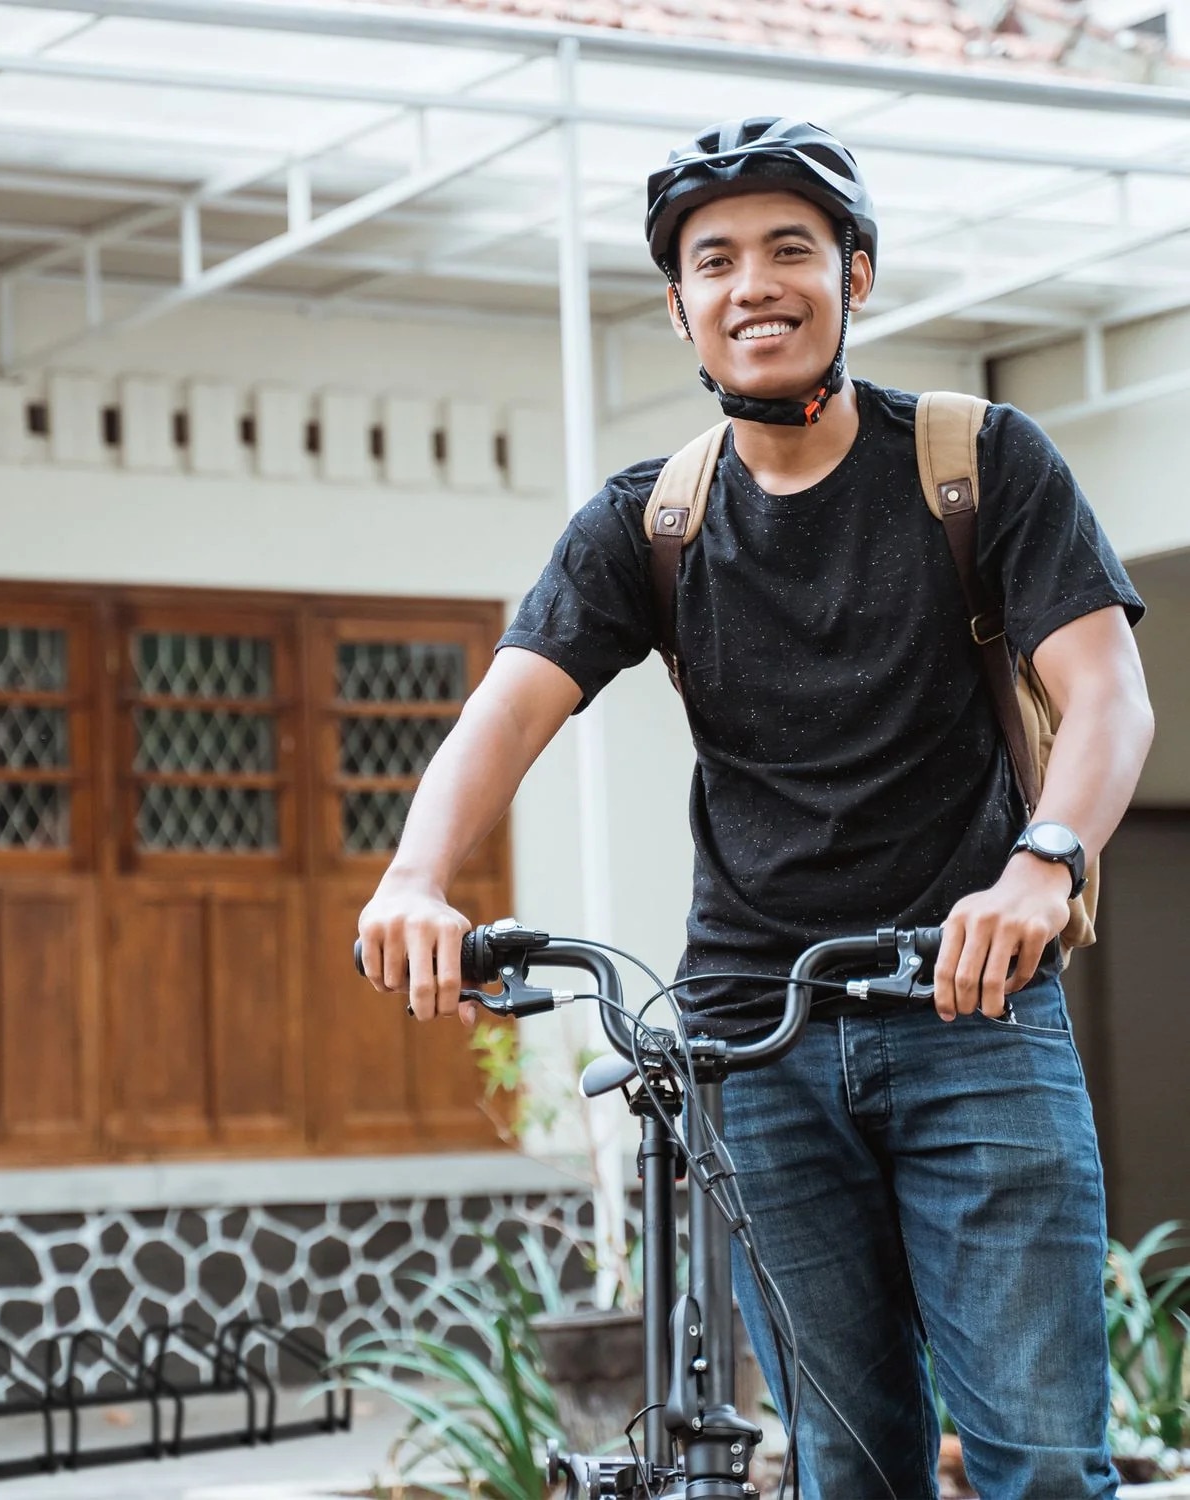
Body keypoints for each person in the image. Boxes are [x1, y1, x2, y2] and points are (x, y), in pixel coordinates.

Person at [357, 116, 1154, 1500]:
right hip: (754, 1036)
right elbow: (508, 709)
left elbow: (1110, 698)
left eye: (792, 248)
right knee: (847, 1466)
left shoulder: (977, 463)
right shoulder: (649, 524)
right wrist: (415, 877)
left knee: (1039, 1464)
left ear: (856, 276)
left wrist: (1043, 864)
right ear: (680, 308)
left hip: (971, 1014)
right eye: (713, 261)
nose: (753, 285)